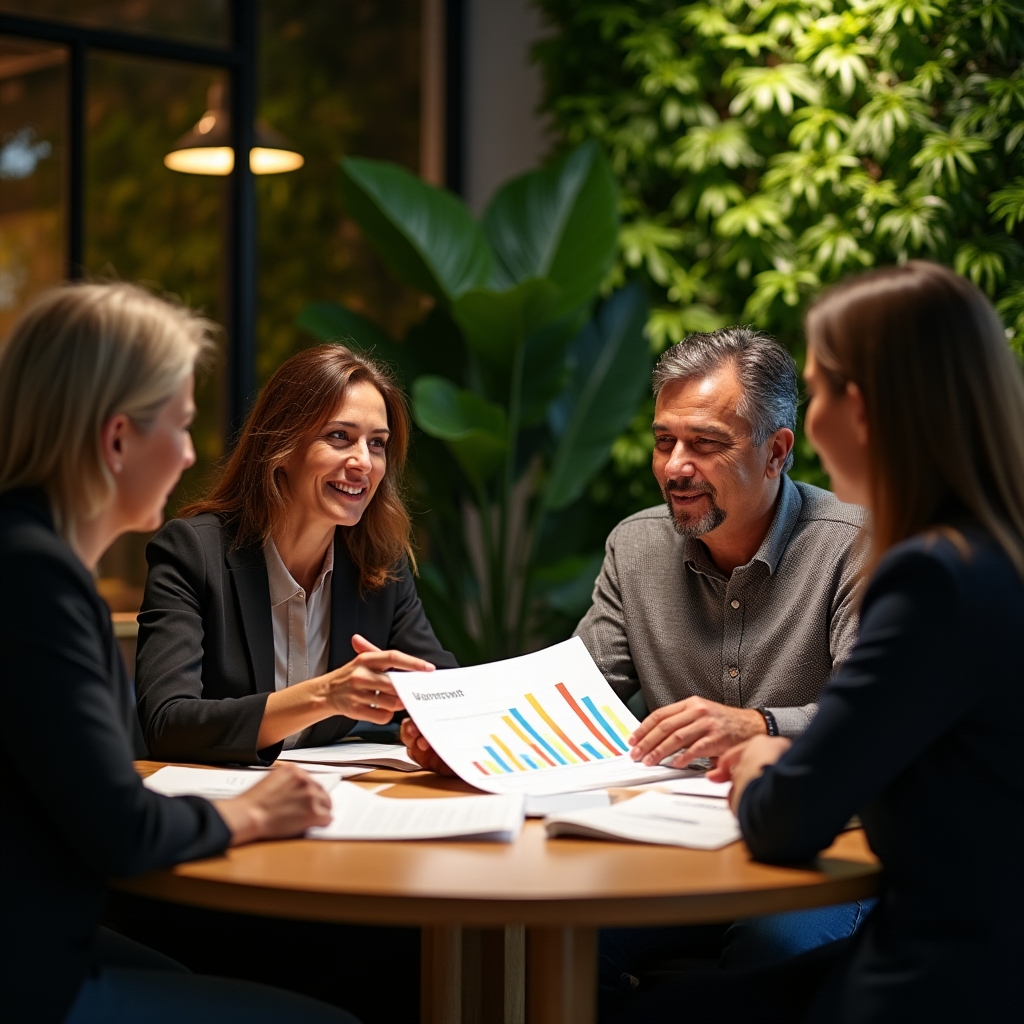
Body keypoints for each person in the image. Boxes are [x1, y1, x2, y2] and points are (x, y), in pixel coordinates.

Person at [620, 261, 1024, 1023]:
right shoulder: (985, 558)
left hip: (941, 981)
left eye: (823, 388)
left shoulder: (929, 580)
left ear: (864, 409)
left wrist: (769, 751)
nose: (676, 467)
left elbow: (789, 817)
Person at [0, 282, 359, 1024]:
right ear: (118, 438)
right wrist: (250, 814)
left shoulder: (25, 560)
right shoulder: (36, 582)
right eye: (183, 424)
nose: (193, 452)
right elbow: (118, 827)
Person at [134, 343, 456, 765]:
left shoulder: (379, 562)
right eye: (340, 436)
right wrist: (326, 695)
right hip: (224, 810)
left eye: (377, 444)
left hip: (339, 806)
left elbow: (443, 688)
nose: (364, 462)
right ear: (282, 447)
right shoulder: (194, 552)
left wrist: (435, 731)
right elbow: (167, 724)